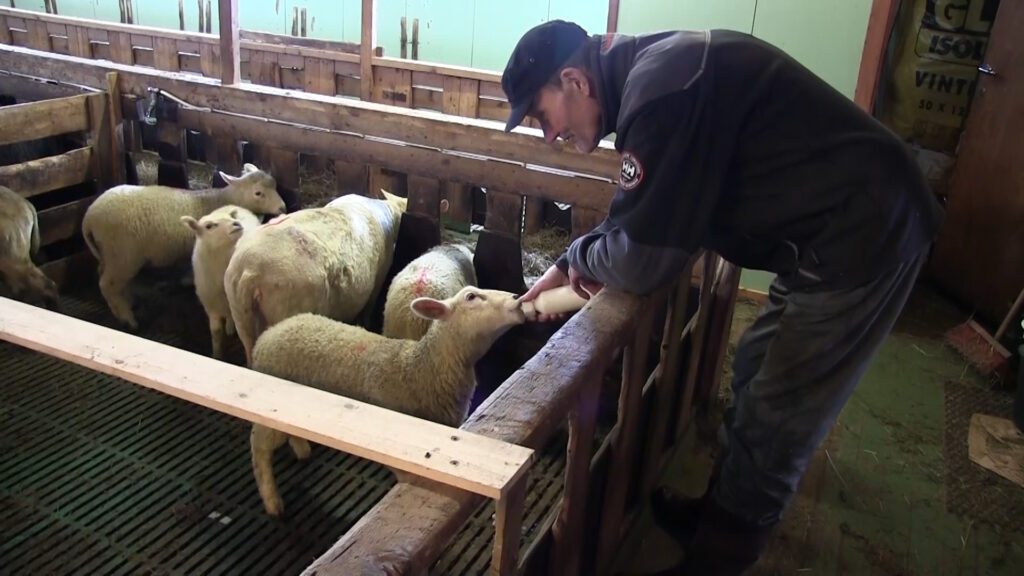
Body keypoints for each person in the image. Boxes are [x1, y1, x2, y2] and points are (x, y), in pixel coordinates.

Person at [503, 20, 944, 575]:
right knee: (756, 366)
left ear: (574, 80)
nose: (547, 134)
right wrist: (573, 259)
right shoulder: (650, 76)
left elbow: (643, 261)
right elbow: (639, 208)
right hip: (817, 234)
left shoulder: (661, 92)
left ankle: (719, 557)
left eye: (542, 116)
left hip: (862, 238)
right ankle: (721, 512)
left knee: (777, 413)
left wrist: (586, 257)